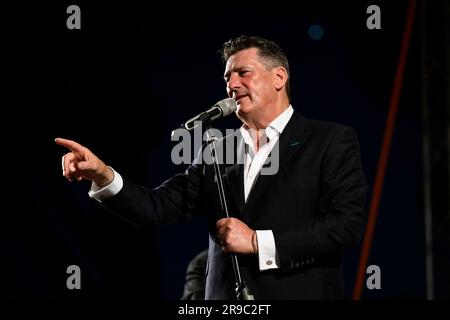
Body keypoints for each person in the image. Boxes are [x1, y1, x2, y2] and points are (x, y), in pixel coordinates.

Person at [56, 35, 368, 299]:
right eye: (227, 77)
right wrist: (103, 175)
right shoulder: (219, 151)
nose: (232, 84)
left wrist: (258, 242)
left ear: (279, 77)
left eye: (243, 73)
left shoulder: (330, 140)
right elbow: (157, 207)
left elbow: (346, 225)